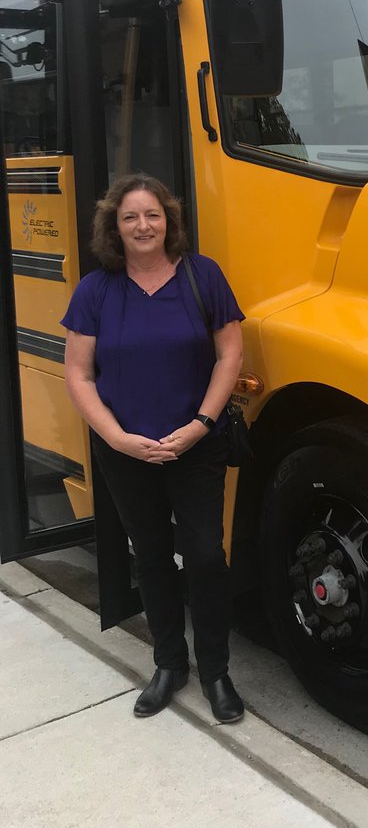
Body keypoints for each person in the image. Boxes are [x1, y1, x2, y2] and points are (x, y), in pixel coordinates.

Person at [62, 173, 245, 723]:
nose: (143, 226)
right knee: (151, 556)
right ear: (114, 228)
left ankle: (216, 672)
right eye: (130, 217)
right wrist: (117, 438)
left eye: (152, 215)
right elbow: (78, 374)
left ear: (169, 221)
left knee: (206, 557)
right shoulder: (95, 290)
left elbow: (230, 355)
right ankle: (169, 665)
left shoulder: (202, 275)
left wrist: (201, 424)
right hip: (126, 451)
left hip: (197, 445)